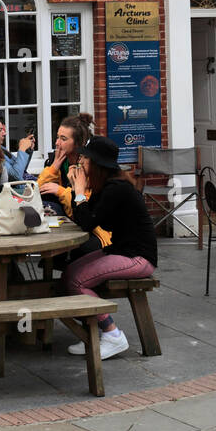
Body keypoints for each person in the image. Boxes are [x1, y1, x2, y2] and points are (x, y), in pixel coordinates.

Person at [63, 135, 158, 360]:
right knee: (68, 274)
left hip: (137, 257)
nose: (80, 164)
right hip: (122, 250)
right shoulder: (106, 186)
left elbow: (87, 222)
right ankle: (92, 334)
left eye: (85, 160)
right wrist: (78, 189)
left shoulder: (117, 189)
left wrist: (78, 191)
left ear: (96, 165)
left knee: (77, 281)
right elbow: (84, 217)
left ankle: (113, 334)